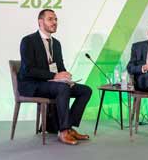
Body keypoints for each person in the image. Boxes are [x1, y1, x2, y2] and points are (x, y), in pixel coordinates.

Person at [18, 9, 92, 145]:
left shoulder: (56, 43)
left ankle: (69, 127)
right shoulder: (28, 41)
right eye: (50, 19)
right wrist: (55, 76)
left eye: (56, 19)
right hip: (33, 84)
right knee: (62, 89)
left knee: (85, 90)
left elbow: (60, 66)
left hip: (52, 83)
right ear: (41, 22)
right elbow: (28, 70)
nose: (54, 22)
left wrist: (66, 76)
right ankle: (63, 131)